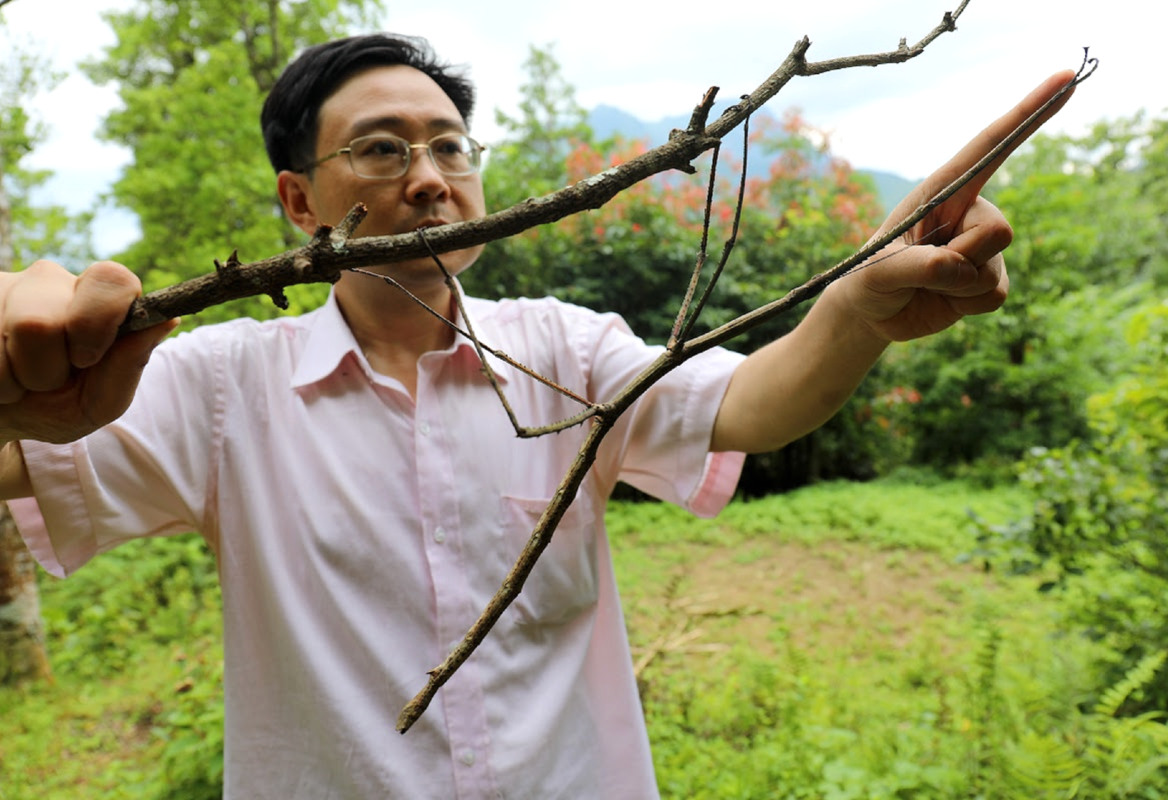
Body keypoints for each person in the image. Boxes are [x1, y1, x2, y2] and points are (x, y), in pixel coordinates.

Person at [0, 33, 1075, 799]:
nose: (430, 179)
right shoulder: (216, 383)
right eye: (382, 149)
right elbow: (23, 459)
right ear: (298, 204)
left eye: (451, 146)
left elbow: (749, 401)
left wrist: (854, 305)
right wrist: (23, 391)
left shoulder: (564, 349)